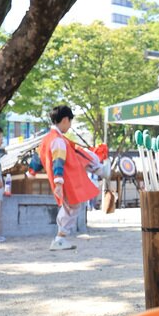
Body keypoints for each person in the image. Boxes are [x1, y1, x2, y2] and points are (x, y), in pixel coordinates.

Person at [37, 106, 100, 251]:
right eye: (70, 121)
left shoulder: (47, 138)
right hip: (65, 179)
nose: (70, 125)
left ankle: (61, 237)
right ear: (65, 120)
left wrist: (32, 171)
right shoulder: (58, 140)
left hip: (60, 179)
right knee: (72, 206)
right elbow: (58, 160)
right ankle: (60, 238)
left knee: (70, 206)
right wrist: (59, 181)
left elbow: (38, 157)